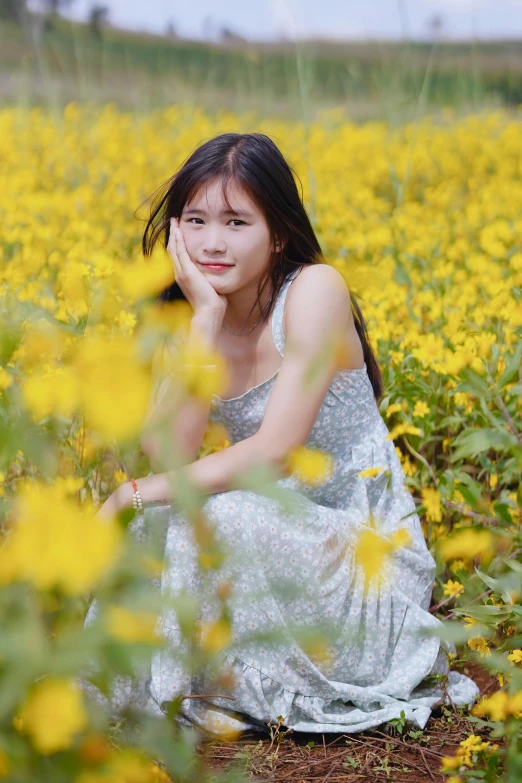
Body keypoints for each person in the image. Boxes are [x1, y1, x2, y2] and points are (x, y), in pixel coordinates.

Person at [84, 132, 479, 736]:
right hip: (276, 555)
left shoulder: (316, 291)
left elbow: (274, 452)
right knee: (159, 520)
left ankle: (160, 701)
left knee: (218, 513)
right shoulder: (199, 313)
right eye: (195, 220)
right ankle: (110, 692)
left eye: (236, 221)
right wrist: (205, 325)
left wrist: (131, 491)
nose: (212, 242)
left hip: (366, 573)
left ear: (278, 233)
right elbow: (167, 454)